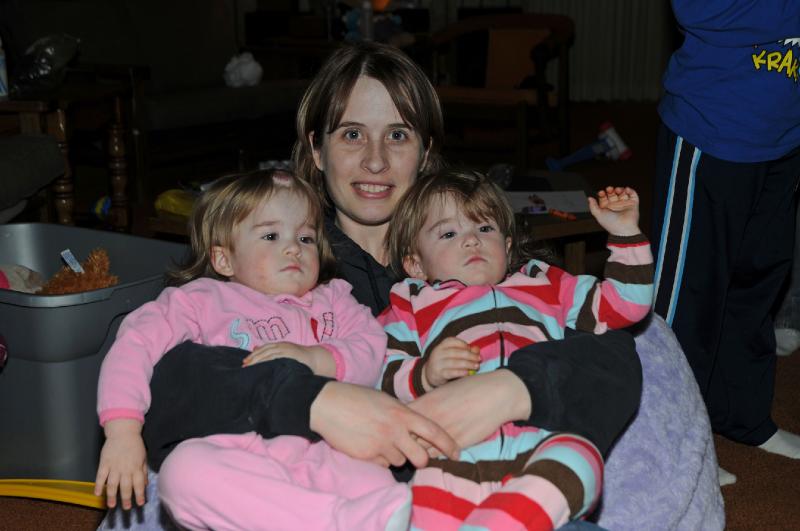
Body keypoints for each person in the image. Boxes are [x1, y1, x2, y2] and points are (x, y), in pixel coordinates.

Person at [108, 42, 641, 530]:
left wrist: (509, 389)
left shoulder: (484, 252)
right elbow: (173, 374)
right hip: (339, 494)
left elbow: (615, 348)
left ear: (426, 152)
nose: (376, 160)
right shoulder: (279, 260)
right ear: (316, 150)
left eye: (399, 135)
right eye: (352, 134)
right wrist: (317, 401)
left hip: (495, 479)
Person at [95, 170, 425, 529]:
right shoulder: (201, 300)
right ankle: (332, 521)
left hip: (326, 450)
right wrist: (122, 431)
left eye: (306, 237)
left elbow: (373, 349)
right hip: (235, 449)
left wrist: (318, 358)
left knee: (379, 484)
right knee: (183, 471)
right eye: (271, 235)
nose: (293, 247)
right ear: (224, 260)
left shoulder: (334, 301)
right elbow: (136, 345)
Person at [379, 170, 653, 529]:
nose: (472, 241)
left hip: (539, 437)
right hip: (452, 446)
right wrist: (423, 374)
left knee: (581, 461)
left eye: (485, 229)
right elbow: (380, 369)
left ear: (507, 247)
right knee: (416, 500)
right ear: (415, 264)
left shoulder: (543, 280)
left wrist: (625, 234)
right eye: (449, 233)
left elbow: (623, 308)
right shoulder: (410, 301)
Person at [652, 3, 800, 487]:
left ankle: (742, 416)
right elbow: (701, 10)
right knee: (687, 301)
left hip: (783, 136)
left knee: (759, 281)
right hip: (711, 131)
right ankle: (668, 442)